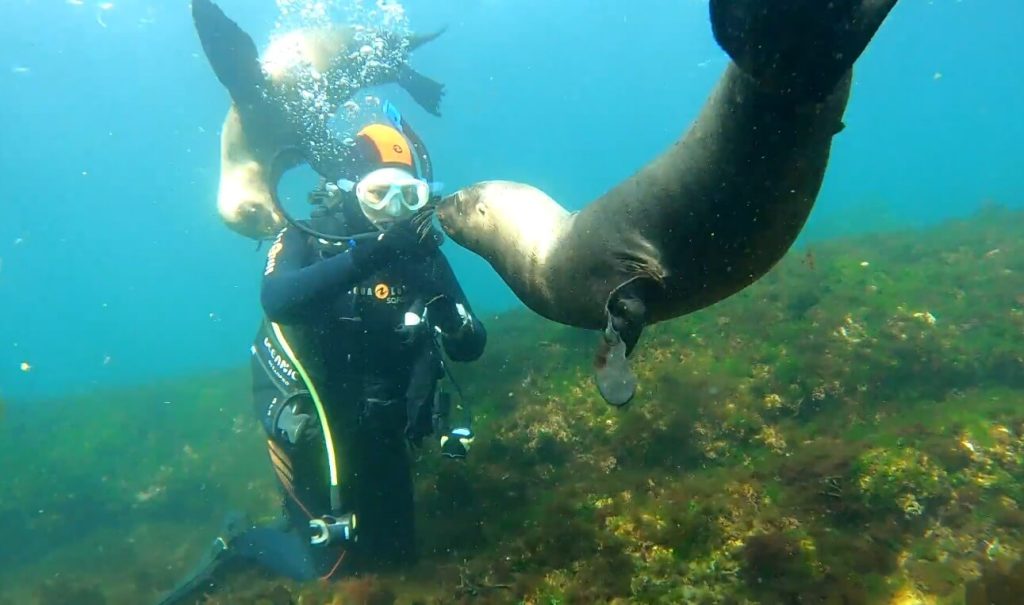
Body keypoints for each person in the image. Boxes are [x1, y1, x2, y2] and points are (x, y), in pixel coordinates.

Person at [155, 112, 486, 605]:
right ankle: (243, 543)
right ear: (350, 188)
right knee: (327, 567)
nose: (394, 209)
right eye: (379, 194)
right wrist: (372, 253)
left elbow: (470, 343)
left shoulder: (419, 251)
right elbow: (279, 299)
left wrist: (457, 325)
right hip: (314, 423)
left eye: (409, 196)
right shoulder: (307, 235)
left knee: (396, 558)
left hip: (381, 420)